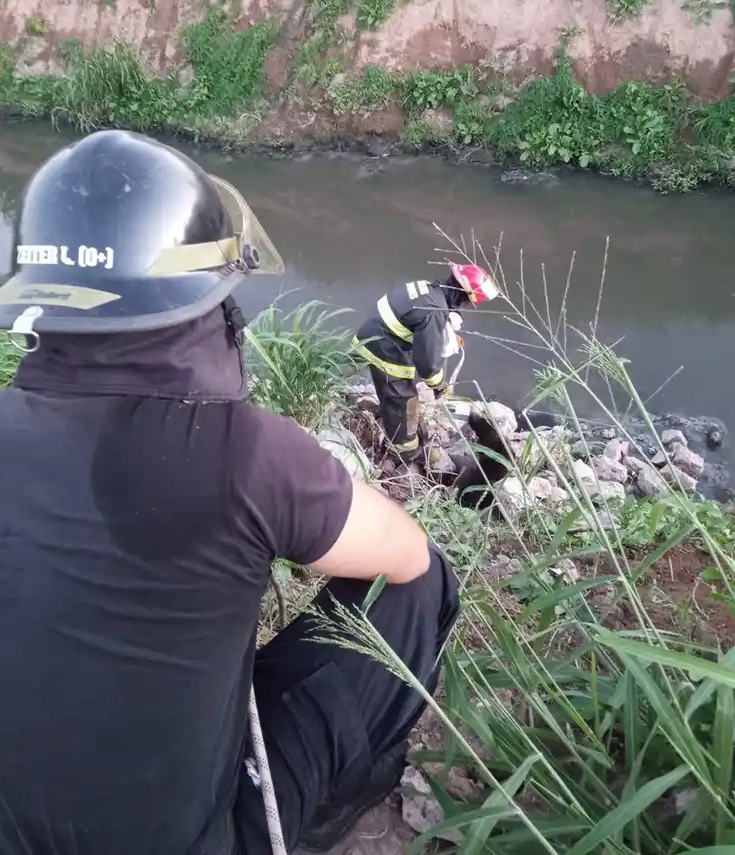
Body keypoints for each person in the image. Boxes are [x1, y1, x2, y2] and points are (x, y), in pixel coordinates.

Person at [0, 129, 461, 854]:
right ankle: (333, 809)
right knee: (424, 584)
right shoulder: (248, 454)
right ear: (202, 303)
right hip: (199, 839)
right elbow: (403, 557)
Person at [354, 262, 498, 467]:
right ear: (464, 295)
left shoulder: (430, 290)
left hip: (376, 334)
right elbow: (427, 364)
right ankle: (403, 455)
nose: (466, 306)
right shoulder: (434, 311)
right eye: (468, 302)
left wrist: (445, 331)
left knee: (404, 398)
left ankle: (410, 442)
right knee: (403, 401)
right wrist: (440, 386)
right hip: (383, 347)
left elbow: (419, 319)